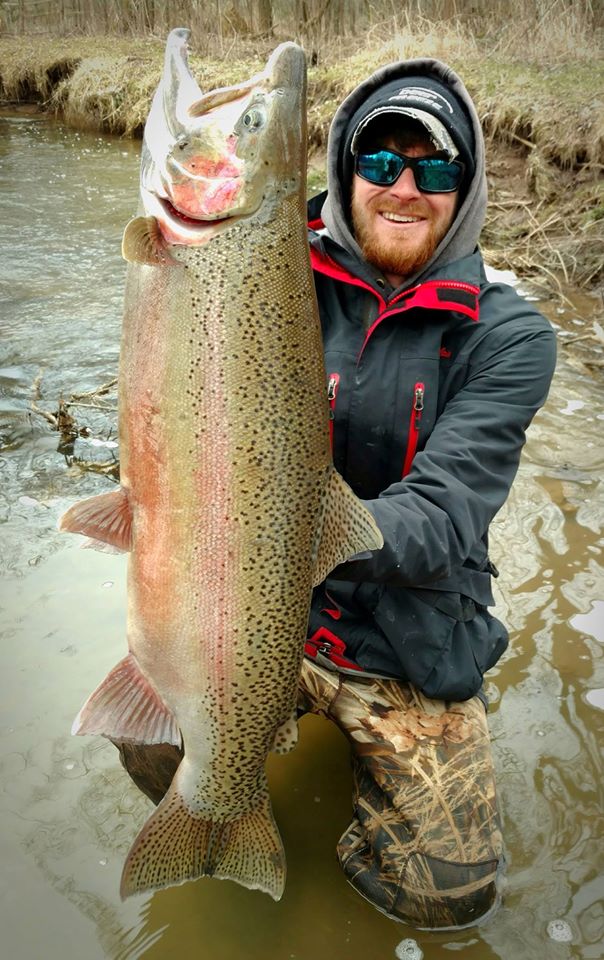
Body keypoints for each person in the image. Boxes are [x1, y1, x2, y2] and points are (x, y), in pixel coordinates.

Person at [114, 58, 557, 930]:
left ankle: (337, 799)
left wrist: (287, 531)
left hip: (407, 634)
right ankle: (232, 801)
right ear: (344, 170)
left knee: (447, 896)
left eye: (433, 169)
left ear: (463, 189)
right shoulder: (273, 265)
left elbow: (443, 517)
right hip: (247, 617)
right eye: (380, 162)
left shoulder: (511, 336)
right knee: (153, 735)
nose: (403, 187)